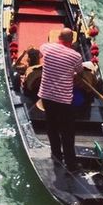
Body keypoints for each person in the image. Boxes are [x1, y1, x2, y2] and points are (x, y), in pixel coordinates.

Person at [39, 27, 84, 171]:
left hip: (46, 96)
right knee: (67, 132)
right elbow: (80, 74)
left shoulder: (46, 47)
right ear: (71, 41)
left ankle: (56, 155)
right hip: (63, 100)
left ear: (58, 38)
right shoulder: (76, 56)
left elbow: (41, 52)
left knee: (52, 127)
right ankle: (71, 164)